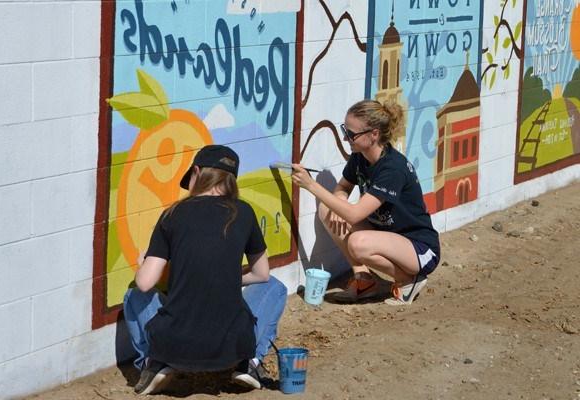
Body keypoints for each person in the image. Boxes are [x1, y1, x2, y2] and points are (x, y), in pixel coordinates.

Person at [123, 145, 287, 395]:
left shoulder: (172, 214)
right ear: (231, 179)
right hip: (231, 345)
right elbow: (262, 274)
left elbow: (145, 283)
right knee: (275, 287)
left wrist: (141, 262)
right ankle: (249, 363)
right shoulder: (243, 212)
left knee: (133, 295)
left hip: (174, 344)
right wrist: (227, 276)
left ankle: (153, 362)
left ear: (197, 172)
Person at [291, 100, 440, 305]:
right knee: (328, 208)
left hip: (418, 248)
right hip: (387, 236)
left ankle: (409, 280)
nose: (345, 137)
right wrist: (339, 199)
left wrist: (311, 185)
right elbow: (342, 188)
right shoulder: (360, 156)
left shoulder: (392, 169)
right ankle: (365, 281)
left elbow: (354, 215)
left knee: (357, 243)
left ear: (374, 134)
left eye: (351, 134)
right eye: (345, 130)